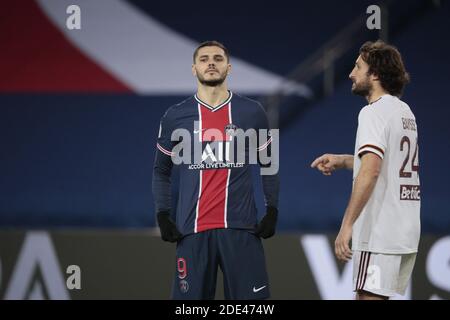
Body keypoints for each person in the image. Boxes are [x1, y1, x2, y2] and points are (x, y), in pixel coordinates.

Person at [152, 40, 279, 299]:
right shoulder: (175, 115)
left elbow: (270, 163)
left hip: (241, 229)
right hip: (192, 231)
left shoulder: (253, 111)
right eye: (204, 59)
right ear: (193, 69)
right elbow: (160, 171)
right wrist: (163, 214)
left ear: (229, 67)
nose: (211, 63)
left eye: (218, 59)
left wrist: (273, 209)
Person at [311, 40, 420, 300]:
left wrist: (347, 225)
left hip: (379, 233)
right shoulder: (404, 111)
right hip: (404, 231)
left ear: (375, 74)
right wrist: (344, 160)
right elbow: (387, 165)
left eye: (358, 67)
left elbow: (370, 172)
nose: (351, 73)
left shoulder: (373, 113)